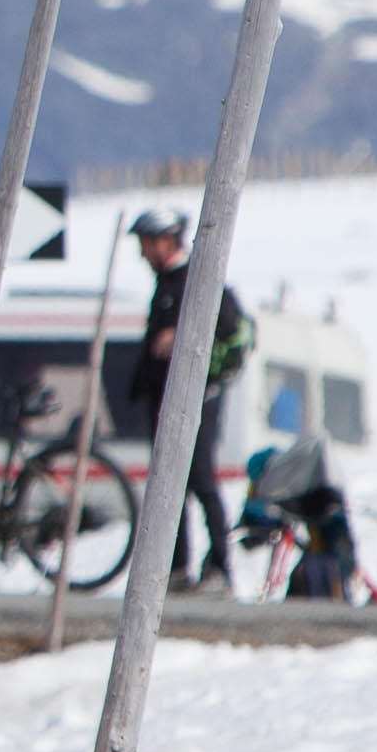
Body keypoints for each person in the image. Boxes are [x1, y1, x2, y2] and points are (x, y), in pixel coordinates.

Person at [126, 209, 253, 593]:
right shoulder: (168, 282)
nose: (143, 254)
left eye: (146, 245)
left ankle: (220, 567)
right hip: (164, 400)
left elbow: (225, 330)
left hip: (197, 401)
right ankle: (178, 568)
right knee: (171, 486)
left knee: (200, 481)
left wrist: (179, 338)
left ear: (166, 241)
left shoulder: (197, 281)